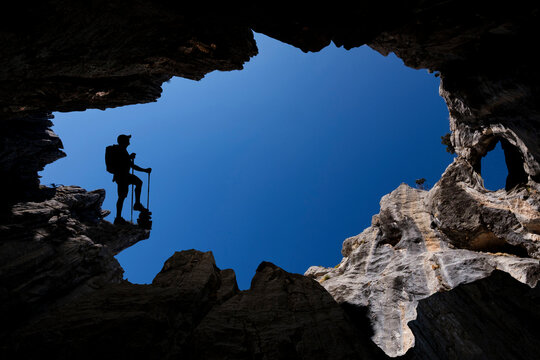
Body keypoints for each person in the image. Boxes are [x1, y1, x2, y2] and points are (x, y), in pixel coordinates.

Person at [110, 134, 151, 225]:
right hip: (121, 176)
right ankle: (118, 217)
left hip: (125, 175)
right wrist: (129, 157)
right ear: (124, 141)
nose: (129, 142)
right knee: (122, 196)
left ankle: (136, 204)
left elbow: (131, 165)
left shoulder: (124, 151)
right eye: (128, 140)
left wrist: (144, 170)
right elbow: (119, 163)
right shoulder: (118, 150)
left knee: (138, 183)